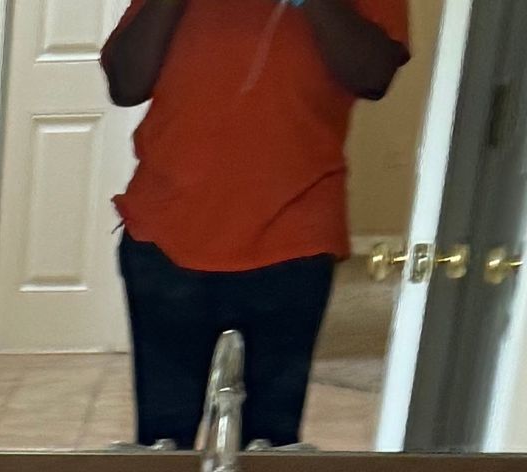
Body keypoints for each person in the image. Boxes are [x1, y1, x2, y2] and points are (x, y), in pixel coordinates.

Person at [102, 0, 411, 447]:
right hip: (165, 233)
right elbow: (126, 85)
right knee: (162, 441)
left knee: (270, 445)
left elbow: (373, 76)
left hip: (293, 238)